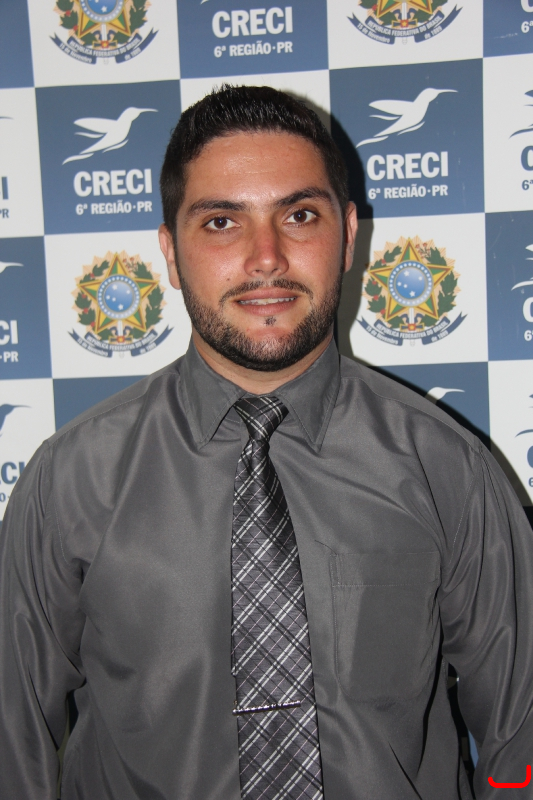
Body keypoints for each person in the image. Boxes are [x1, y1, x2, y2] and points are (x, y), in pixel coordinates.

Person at [1, 85, 532, 800]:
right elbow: (12, 739)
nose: (266, 257)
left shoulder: (447, 467)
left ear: (348, 234)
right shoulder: (71, 478)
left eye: (300, 215)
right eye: (222, 222)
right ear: (170, 251)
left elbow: (521, 731)